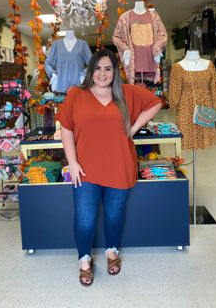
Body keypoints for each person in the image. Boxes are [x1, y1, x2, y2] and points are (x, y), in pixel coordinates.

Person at [56, 49, 162, 286]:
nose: (102, 73)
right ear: (90, 70)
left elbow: (156, 102)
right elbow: (67, 129)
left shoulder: (126, 94)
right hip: (85, 168)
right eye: (97, 68)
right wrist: (72, 162)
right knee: (85, 217)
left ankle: (111, 251)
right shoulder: (76, 96)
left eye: (108, 68)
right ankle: (84, 259)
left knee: (114, 214)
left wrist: (133, 128)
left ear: (115, 72)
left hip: (119, 164)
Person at [169, 49, 216, 150]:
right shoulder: (178, 67)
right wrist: (173, 103)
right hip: (186, 107)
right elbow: (174, 89)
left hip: (205, 107)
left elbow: (214, 86)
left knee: (203, 133)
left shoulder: (209, 65)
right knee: (187, 134)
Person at [112, 1, 167, 85]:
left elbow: (163, 35)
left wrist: (157, 46)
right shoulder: (125, 17)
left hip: (150, 61)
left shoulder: (154, 15)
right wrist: (125, 48)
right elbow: (116, 37)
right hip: (134, 63)